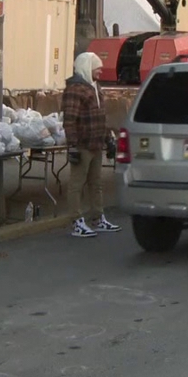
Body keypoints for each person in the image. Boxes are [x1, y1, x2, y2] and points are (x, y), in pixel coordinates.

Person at [63, 52, 120, 238]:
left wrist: (108, 139)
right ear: (87, 67)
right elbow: (70, 120)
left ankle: (97, 217)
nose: (101, 70)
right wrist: (72, 146)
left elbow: (100, 117)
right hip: (82, 144)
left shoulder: (95, 87)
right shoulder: (75, 89)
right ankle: (76, 221)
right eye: (98, 67)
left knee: (96, 183)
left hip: (96, 144)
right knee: (77, 184)